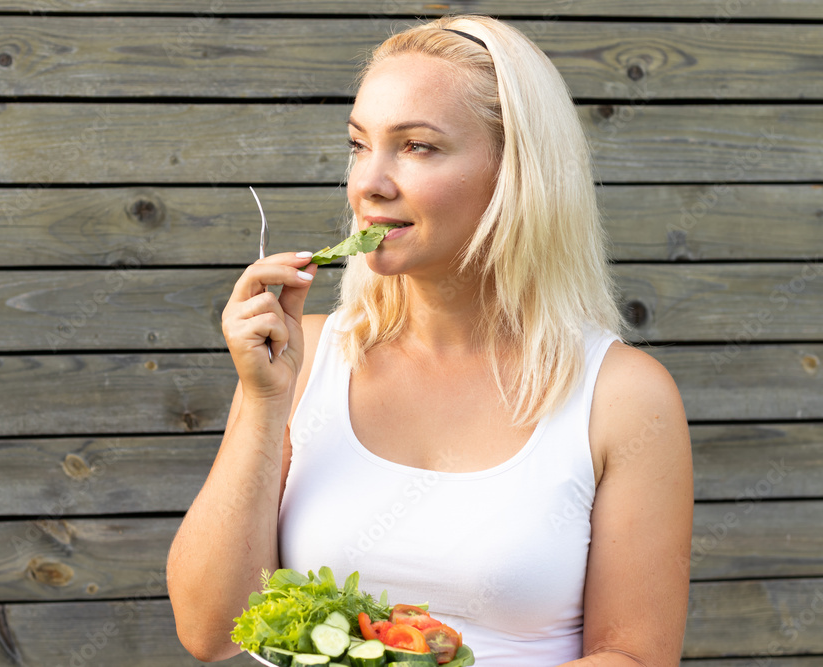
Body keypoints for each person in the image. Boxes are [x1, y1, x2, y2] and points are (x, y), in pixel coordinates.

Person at [167, 14, 693, 666]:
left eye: (417, 147)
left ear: (516, 173)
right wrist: (264, 402)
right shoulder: (297, 360)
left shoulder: (622, 397)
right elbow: (210, 629)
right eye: (360, 145)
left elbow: (636, 655)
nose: (369, 183)